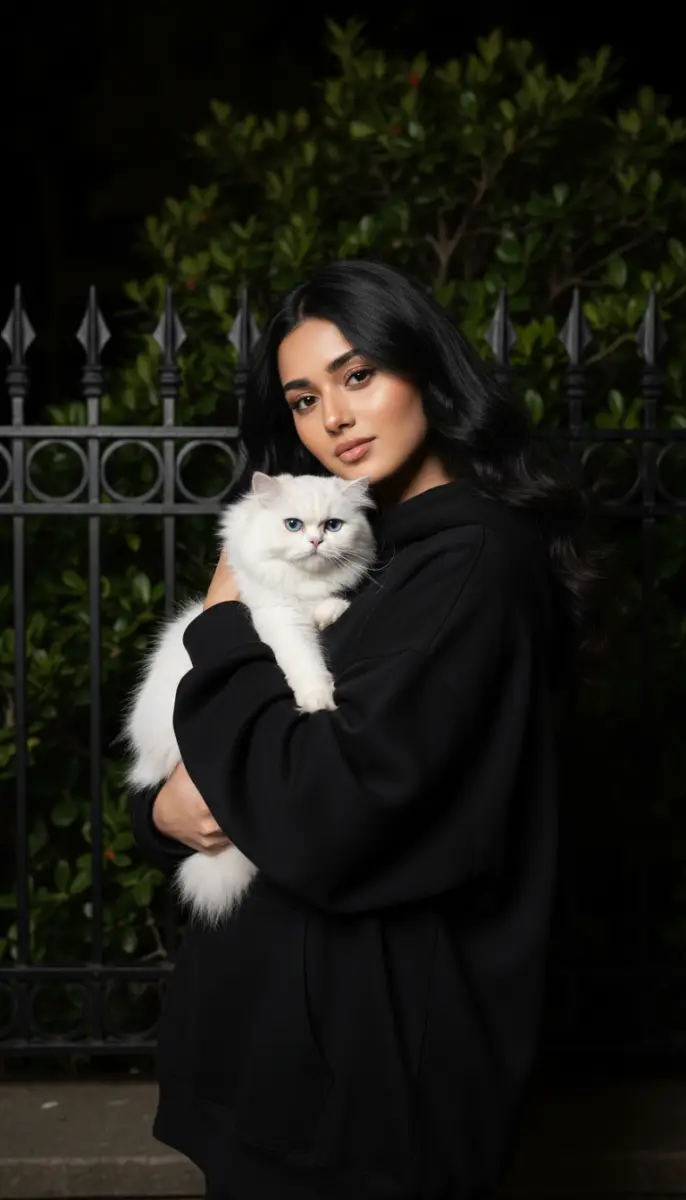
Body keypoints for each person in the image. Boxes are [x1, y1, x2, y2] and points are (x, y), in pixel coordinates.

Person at [130, 258, 607, 1200]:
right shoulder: (375, 555)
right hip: (295, 1063)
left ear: (426, 369)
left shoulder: (465, 561)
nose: (334, 419)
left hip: (366, 1087)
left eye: (358, 375)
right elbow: (257, 766)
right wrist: (159, 818)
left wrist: (224, 624)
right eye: (305, 399)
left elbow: (329, 803)